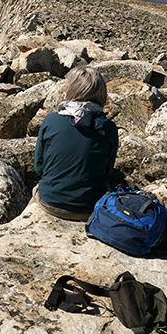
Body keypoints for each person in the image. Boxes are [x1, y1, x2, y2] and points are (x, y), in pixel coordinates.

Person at [34, 66, 119, 220]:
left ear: (71, 89)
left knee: (35, 189)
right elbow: (107, 172)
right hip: (89, 208)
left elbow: (39, 167)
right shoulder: (109, 128)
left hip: (50, 202)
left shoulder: (51, 120)